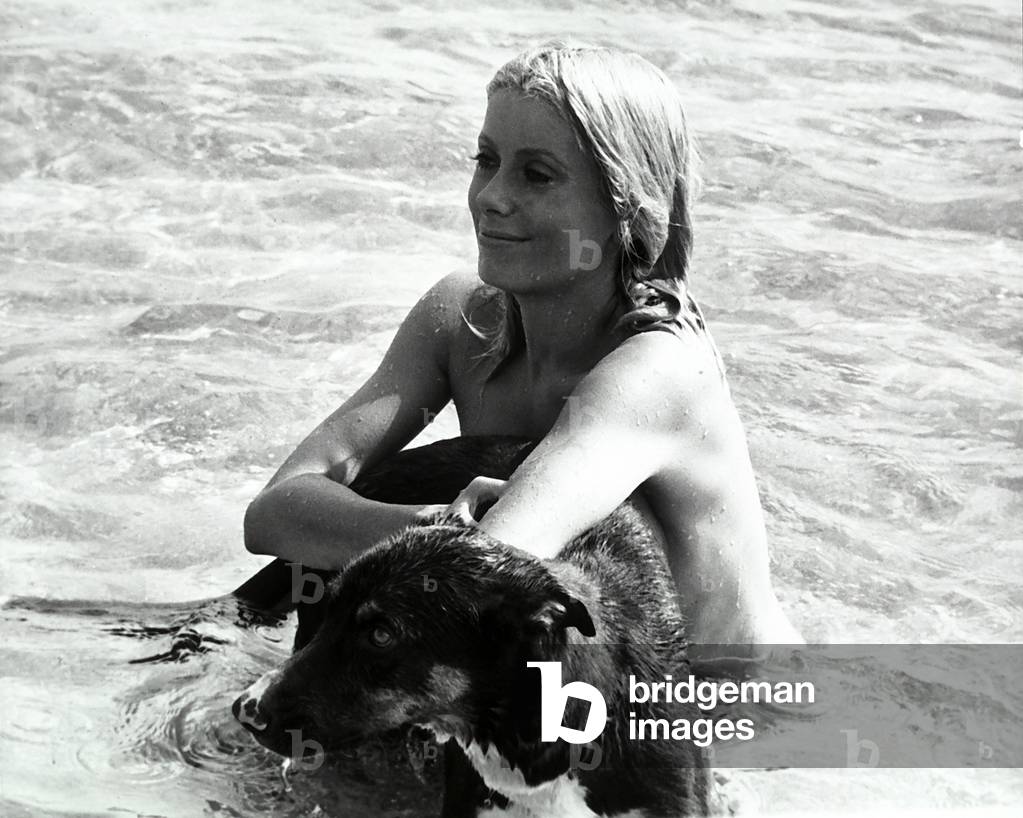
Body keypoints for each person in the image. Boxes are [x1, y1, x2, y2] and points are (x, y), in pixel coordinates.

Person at [244, 42, 802, 655]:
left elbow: (497, 559)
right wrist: (422, 525)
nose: (491, 196)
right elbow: (272, 514)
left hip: (727, 714)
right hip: (569, 676)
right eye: (487, 160)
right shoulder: (462, 319)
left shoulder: (658, 368)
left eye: (536, 174)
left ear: (626, 203)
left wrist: (437, 543)